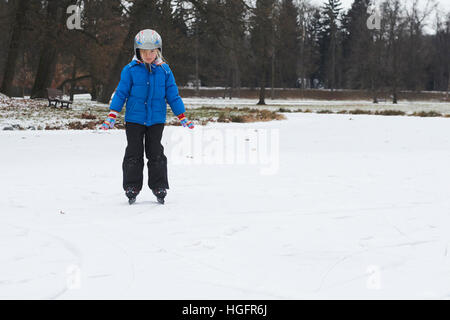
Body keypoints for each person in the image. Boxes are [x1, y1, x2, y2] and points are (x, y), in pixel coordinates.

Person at [100, 29, 194, 205]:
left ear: (158, 51)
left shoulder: (165, 71)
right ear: (138, 51)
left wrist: (182, 116)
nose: (149, 55)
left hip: (156, 120)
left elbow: (173, 95)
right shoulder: (130, 70)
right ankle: (132, 186)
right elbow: (121, 93)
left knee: (155, 152)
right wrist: (112, 115)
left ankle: (159, 185)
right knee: (134, 152)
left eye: (152, 51)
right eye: (145, 51)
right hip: (134, 120)